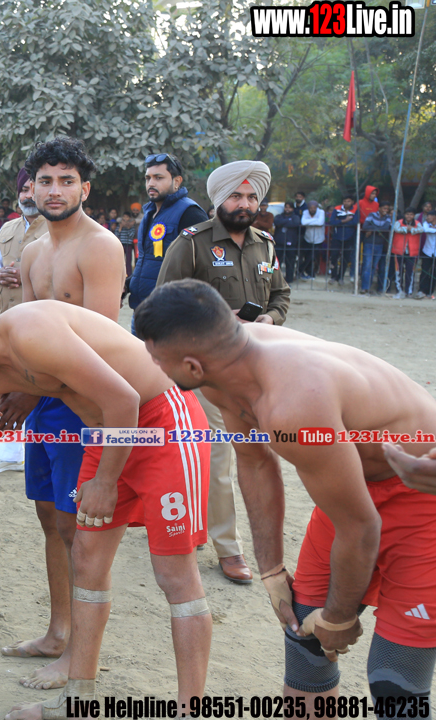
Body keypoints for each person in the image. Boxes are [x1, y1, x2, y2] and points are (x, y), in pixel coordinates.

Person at [0, 298, 211, 720]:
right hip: (106, 432)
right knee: (86, 560)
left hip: (161, 421)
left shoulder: (30, 331)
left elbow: (125, 398)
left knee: (174, 575)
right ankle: (77, 700)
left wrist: (104, 482)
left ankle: (191, 710)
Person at [136, 278, 436, 710]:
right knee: (303, 641)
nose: (154, 367)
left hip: (420, 498)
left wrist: (339, 617)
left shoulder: (292, 404)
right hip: (350, 491)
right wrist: (272, 569)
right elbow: (255, 462)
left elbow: (361, 525)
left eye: (157, 359)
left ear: (192, 366)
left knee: (395, 685)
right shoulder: (226, 368)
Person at [4, 137, 126, 691]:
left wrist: (29, 393)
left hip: (84, 406)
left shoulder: (100, 247)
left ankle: (80, 653)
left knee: (79, 528)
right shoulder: (33, 253)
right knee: (50, 519)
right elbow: (26, 338)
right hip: (44, 404)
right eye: (46, 181)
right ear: (31, 187)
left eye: (66, 181)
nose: (55, 191)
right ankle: (58, 632)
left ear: (85, 188)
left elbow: (95, 345)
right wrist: (16, 389)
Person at [157, 160, 290, 585]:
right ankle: (229, 549)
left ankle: (211, 530)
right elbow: (164, 302)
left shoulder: (265, 245)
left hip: (257, 367)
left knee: (260, 453)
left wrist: (269, 319)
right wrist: (213, 320)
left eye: (251, 197)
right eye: (236, 196)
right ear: (218, 200)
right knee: (218, 456)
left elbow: (281, 296)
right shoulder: (192, 244)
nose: (244, 204)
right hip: (208, 371)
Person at [0, 169, 49, 475]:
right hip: (4, 323)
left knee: (39, 387)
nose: (28, 195)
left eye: (34, 188)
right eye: (23, 189)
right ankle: (9, 454)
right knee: (7, 387)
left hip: (42, 329)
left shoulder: (57, 228)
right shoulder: (7, 228)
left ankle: (39, 455)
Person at [127, 153, 208, 318]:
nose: (151, 183)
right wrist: (128, 285)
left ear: (177, 181)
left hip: (170, 314)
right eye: (148, 178)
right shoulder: (149, 214)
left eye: (158, 178)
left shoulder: (190, 213)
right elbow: (149, 262)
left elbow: (204, 267)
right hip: (141, 310)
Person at [361, 201, 394, 294]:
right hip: (369, 243)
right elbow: (365, 226)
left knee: (373, 266)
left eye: (387, 209)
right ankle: (364, 287)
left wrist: (372, 229)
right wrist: (378, 230)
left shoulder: (388, 217)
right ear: (379, 208)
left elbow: (386, 228)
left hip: (379, 244)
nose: (385, 210)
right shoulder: (372, 215)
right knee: (367, 265)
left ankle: (368, 287)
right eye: (384, 208)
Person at [390, 209, 422, 299]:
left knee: (410, 272)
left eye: (411, 214)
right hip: (399, 250)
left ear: (414, 215)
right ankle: (399, 290)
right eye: (407, 214)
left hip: (412, 251)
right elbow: (396, 229)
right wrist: (407, 229)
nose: (409, 216)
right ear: (404, 215)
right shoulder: (398, 222)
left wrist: (411, 229)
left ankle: (409, 291)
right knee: (398, 272)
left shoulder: (417, 223)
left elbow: (421, 229)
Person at [327, 194, 358, 284]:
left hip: (349, 237)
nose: (346, 203)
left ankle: (341, 277)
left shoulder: (355, 209)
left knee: (345, 258)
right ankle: (333, 276)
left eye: (348, 201)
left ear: (352, 202)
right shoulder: (337, 209)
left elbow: (355, 222)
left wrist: (339, 221)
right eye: (345, 201)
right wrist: (345, 220)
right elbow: (332, 222)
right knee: (334, 256)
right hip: (337, 236)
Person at [273, 200, 302, 284]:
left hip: (291, 244)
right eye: (286, 207)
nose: (287, 209)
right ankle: (276, 280)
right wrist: (288, 220)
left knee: (290, 263)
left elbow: (295, 223)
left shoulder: (295, 217)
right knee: (276, 263)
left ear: (292, 209)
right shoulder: (279, 216)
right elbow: (277, 222)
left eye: (289, 207)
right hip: (279, 243)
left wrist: (283, 222)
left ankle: (289, 280)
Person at [300, 199, 325, 279]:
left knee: (314, 256)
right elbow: (303, 222)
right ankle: (307, 272)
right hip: (308, 238)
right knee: (307, 256)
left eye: (314, 208)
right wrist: (315, 221)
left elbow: (320, 222)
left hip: (318, 239)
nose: (312, 209)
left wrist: (309, 221)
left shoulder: (321, 212)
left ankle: (306, 271)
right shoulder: (305, 212)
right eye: (311, 208)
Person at [113, 210, 137, 276]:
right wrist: (120, 228)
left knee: (128, 260)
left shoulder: (132, 226)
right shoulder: (119, 225)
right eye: (124, 217)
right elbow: (116, 234)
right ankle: (119, 274)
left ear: (129, 218)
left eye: (127, 217)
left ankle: (128, 274)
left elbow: (131, 235)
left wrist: (128, 228)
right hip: (121, 244)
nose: (125, 218)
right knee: (120, 260)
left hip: (128, 244)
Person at [419, 209, 436, 299]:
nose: (427, 218)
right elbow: (425, 229)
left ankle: (430, 292)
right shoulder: (426, 223)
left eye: (429, 216)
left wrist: (433, 229)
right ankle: (421, 290)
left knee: (434, 273)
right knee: (424, 271)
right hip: (427, 251)